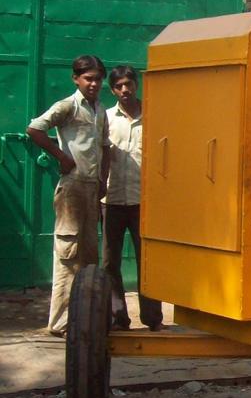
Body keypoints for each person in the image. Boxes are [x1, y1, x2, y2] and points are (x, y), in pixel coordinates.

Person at [26, 54, 111, 336]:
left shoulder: (100, 109)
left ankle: (84, 318)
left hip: (91, 188)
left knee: (88, 256)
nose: (94, 83)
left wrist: (103, 180)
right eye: (88, 78)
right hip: (72, 187)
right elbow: (35, 128)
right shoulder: (69, 105)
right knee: (68, 253)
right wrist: (61, 157)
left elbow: (105, 148)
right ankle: (61, 322)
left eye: (98, 78)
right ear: (76, 78)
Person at [101, 65, 163, 332]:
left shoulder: (154, 116)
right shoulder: (105, 119)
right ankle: (118, 318)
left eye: (128, 84)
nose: (125, 90)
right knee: (109, 263)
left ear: (136, 84)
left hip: (143, 203)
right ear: (112, 89)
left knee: (147, 261)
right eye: (119, 86)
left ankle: (153, 318)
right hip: (111, 201)